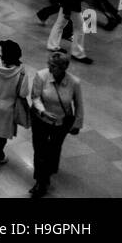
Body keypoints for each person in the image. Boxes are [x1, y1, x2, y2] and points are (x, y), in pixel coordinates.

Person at [28, 51, 84, 197]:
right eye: (49, 65)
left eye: (53, 66)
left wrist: (77, 124)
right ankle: (41, 181)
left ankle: (49, 169)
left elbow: (79, 105)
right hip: (41, 120)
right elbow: (35, 97)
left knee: (54, 148)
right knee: (39, 150)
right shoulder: (41, 76)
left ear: (63, 68)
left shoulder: (74, 83)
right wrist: (42, 111)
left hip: (61, 122)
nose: (50, 68)